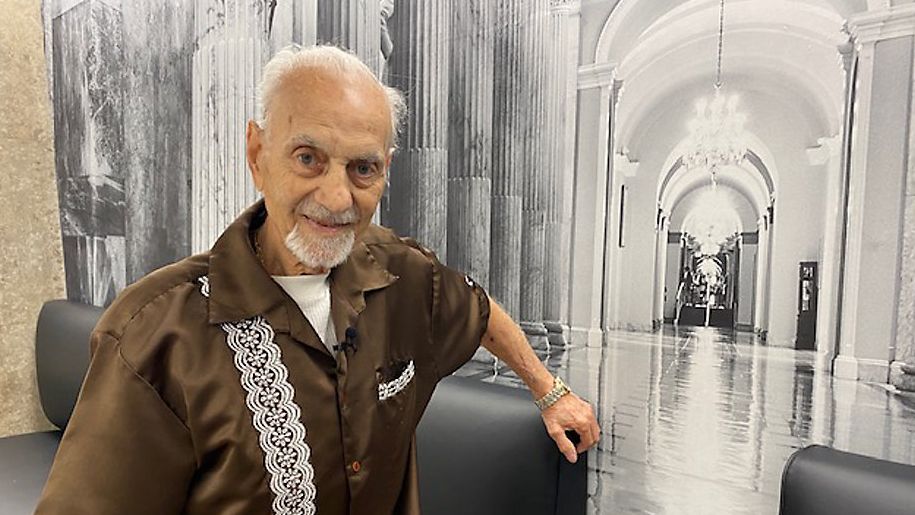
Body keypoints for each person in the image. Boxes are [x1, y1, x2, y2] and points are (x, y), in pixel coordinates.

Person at [35, 45, 599, 514]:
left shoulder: (402, 273)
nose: (336, 198)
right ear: (258, 154)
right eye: (308, 158)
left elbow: (477, 311)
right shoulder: (153, 335)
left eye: (362, 168)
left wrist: (548, 391)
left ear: (385, 171)